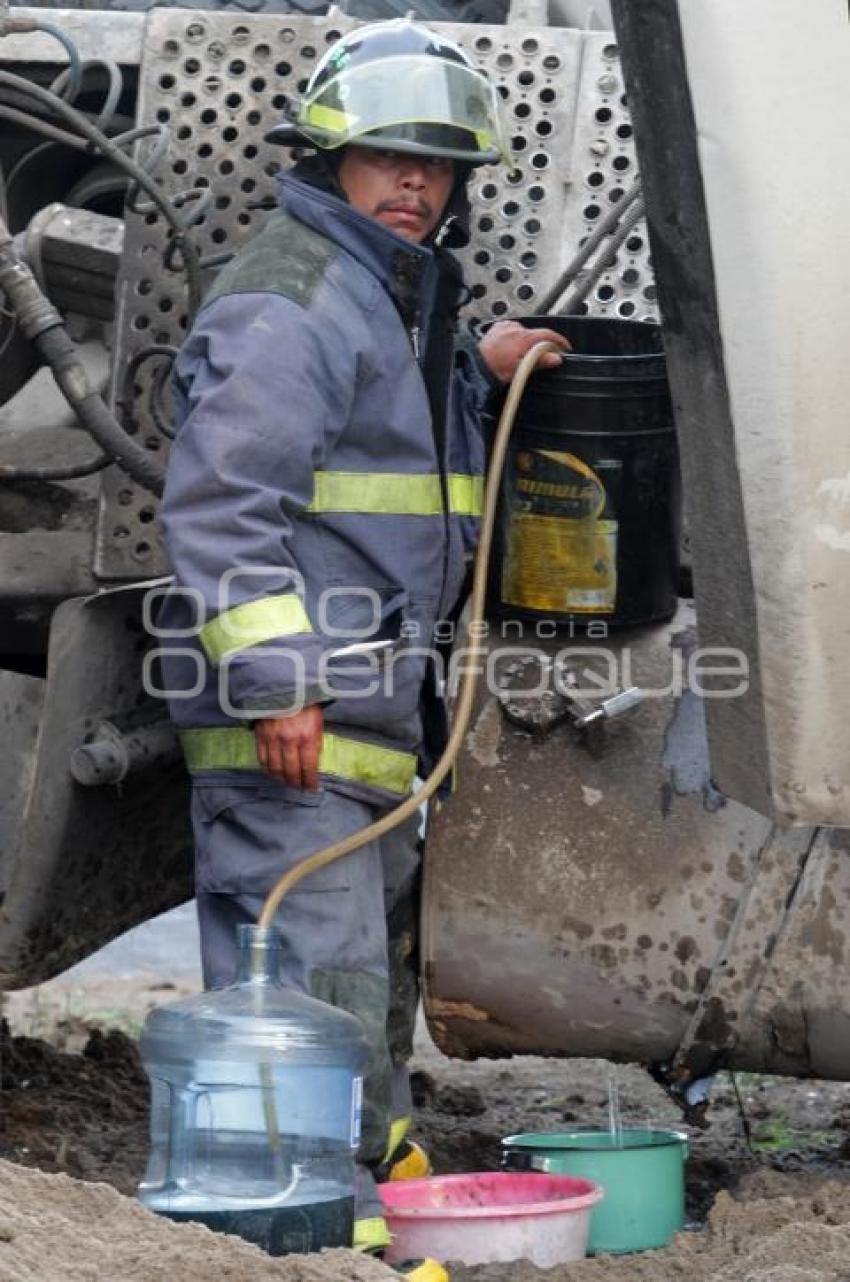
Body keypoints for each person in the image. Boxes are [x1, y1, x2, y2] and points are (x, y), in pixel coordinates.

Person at [157, 16, 568, 1261]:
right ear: (327, 158)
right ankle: (313, 1233)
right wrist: (279, 681)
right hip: (296, 724)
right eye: (390, 158)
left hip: (367, 722)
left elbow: (379, 448)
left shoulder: (384, 296)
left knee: (358, 979)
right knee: (314, 978)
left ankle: (364, 1201)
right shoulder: (294, 301)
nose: (415, 184)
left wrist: (473, 371)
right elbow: (227, 504)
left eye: (438, 167)